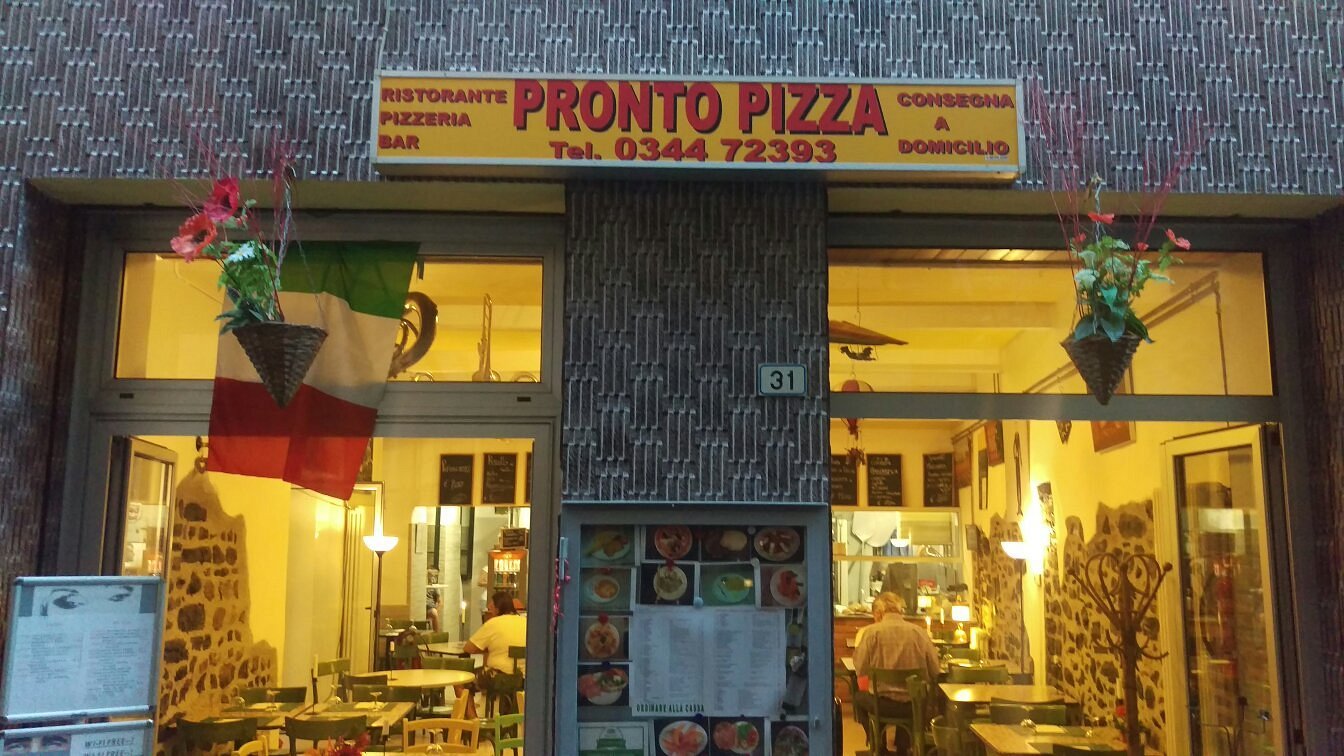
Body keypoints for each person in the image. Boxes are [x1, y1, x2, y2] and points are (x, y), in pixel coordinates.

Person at [853, 592, 942, 754]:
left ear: (879, 613)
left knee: (859, 698)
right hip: (914, 706)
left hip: (881, 705)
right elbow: (935, 670)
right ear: (900, 611)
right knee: (916, 699)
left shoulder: (871, 633)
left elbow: (860, 669)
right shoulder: (919, 633)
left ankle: (878, 745)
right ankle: (903, 747)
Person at [463, 591, 527, 717]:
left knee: (462, 681)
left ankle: (474, 722)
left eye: (491, 608)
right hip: (524, 678)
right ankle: (507, 720)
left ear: (498, 609)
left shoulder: (493, 623)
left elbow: (469, 648)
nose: (489, 611)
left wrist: (488, 648)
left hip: (500, 677)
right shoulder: (525, 622)